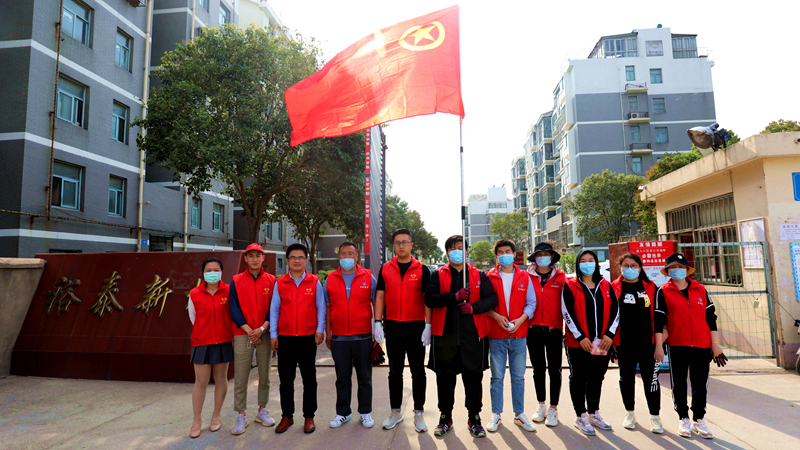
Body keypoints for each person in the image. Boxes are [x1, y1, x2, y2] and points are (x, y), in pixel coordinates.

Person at [424, 235, 497, 438]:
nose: (456, 251)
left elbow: (492, 299)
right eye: (452, 248)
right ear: (447, 252)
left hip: (473, 337)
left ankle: (474, 417)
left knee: (473, 380)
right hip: (444, 336)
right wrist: (453, 297)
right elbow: (429, 299)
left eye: (460, 247)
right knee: (445, 380)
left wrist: (474, 308)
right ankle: (445, 417)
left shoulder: (478, 275)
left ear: (466, 251)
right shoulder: (437, 275)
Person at [654, 253, 722, 439]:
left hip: (702, 344)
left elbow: (711, 318)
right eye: (673, 267)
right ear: (668, 271)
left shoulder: (700, 289)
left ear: (687, 269)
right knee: (679, 383)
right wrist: (659, 345)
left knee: (700, 384)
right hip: (677, 344)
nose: (678, 270)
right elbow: (659, 321)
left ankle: (699, 419)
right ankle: (683, 418)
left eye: (681, 267)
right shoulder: (663, 291)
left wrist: (715, 344)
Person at [373, 228, 432, 432]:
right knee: (394, 371)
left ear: (411, 245)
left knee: (418, 371)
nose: (401, 246)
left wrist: (428, 325)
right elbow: (380, 296)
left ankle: (419, 413)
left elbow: (427, 299)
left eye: (405, 242)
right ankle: (395, 411)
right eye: (397, 242)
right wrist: (377, 322)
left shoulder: (422, 269)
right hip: (393, 326)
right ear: (393, 246)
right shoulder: (386, 268)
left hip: (416, 326)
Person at [269, 243, 326, 434]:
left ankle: (309, 416)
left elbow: (321, 307)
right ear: (287, 261)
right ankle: (287, 416)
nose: (297, 260)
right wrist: (274, 334)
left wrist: (320, 330)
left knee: (309, 378)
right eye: (293, 257)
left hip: (307, 337)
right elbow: (275, 309)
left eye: (300, 257)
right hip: (285, 338)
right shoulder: (280, 282)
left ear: (306, 260)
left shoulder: (314, 281)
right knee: (286, 379)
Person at [562, 250, 619, 436]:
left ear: (596, 263)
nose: (587, 264)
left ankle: (594, 412)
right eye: (583, 261)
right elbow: (566, 312)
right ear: (578, 264)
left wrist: (609, 334)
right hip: (577, 343)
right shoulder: (570, 285)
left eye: (591, 260)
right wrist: (580, 337)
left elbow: (616, 311)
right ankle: (580, 415)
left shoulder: (606, 285)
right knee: (578, 378)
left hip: (601, 343)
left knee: (597, 377)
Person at [324, 242, 378, 429]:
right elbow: (328, 308)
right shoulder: (330, 278)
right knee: (342, 378)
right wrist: (328, 332)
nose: (347, 257)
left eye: (351, 253)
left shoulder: (368, 277)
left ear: (357, 256)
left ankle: (365, 412)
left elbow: (376, 304)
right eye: (343, 254)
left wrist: (377, 329)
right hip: (339, 337)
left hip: (363, 336)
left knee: (365, 378)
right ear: (339, 257)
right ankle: (343, 413)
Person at [485, 239, 537, 433]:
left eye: (508, 251)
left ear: (514, 254)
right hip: (496, 335)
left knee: (518, 377)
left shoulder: (525, 276)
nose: (504, 255)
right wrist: (496, 317)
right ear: (496, 255)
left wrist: (521, 320)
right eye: (500, 252)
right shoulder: (489, 277)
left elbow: (531, 303)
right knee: (497, 377)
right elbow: (483, 304)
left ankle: (519, 414)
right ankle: (496, 414)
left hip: (519, 334)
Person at [611, 253, 663, 433]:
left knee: (651, 380)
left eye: (633, 265)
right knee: (626, 379)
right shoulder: (613, 287)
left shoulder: (651, 287)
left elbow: (659, 316)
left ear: (640, 268)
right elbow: (609, 316)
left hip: (648, 343)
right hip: (624, 343)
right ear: (620, 268)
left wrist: (659, 344)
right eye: (625, 265)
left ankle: (655, 416)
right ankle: (629, 413)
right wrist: (612, 343)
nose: (630, 268)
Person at [228, 243, 276, 435]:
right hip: (243, 334)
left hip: (265, 333)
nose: (254, 259)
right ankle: (241, 414)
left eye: (258, 255)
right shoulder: (236, 281)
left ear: (263, 258)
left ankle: (262, 410)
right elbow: (233, 308)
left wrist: (262, 329)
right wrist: (250, 330)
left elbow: (275, 307)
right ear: (245, 258)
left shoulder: (272, 280)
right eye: (251, 256)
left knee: (265, 374)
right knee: (241, 376)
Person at [187, 257, 234, 438]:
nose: (212, 273)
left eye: (216, 270)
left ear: (221, 272)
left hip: (223, 340)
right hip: (201, 342)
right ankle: (196, 421)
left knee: (221, 379)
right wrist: (205, 331)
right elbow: (193, 317)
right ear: (203, 273)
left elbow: (233, 314)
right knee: (201, 381)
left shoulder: (229, 291)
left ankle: (216, 415)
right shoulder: (194, 293)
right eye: (208, 270)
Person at [526, 241, 567, 427]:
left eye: (546, 254)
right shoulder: (527, 276)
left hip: (554, 329)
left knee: (555, 370)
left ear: (552, 257)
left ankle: (553, 408)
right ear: (534, 257)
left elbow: (567, 305)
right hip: (532, 328)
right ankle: (541, 404)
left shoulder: (561, 277)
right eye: (539, 254)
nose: (543, 257)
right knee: (538, 368)